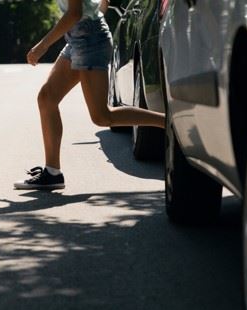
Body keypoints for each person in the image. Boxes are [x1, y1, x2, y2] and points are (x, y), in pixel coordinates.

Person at [14, 0, 165, 190]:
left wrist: (43, 45)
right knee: (47, 98)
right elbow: (99, 3)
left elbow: (74, 13)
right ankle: (52, 173)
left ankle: (168, 122)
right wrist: (95, 12)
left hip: (90, 40)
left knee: (102, 116)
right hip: (79, 39)